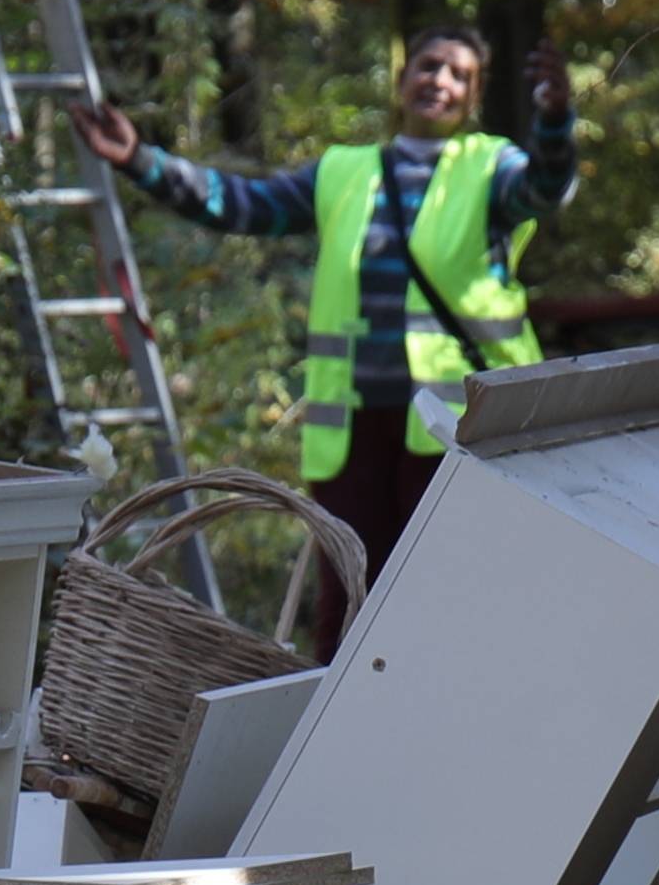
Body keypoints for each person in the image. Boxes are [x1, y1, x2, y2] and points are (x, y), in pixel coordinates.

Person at [71, 30, 574, 615]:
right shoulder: (343, 171)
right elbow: (242, 203)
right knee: (350, 599)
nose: (441, 81)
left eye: (459, 75)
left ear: (473, 97)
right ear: (402, 78)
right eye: (430, 66)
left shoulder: (492, 166)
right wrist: (141, 160)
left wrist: (556, 121)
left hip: (457, 430)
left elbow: (543, 187)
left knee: (451, 597)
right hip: (354, 431)